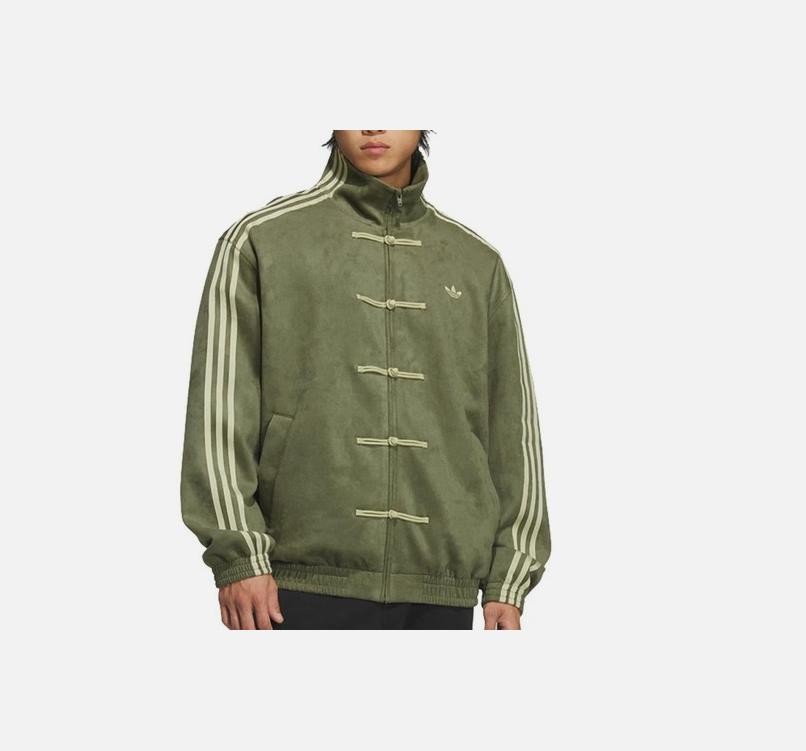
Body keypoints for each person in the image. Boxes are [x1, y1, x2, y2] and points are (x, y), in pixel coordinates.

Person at [180, 130, 551, 630]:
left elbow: (513, 430)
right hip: (294, 582)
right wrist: (239, 553)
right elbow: (218, 411)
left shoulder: (476, 262)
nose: (373, 124)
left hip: (441, 588)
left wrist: (510, 575)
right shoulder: (261, 240)